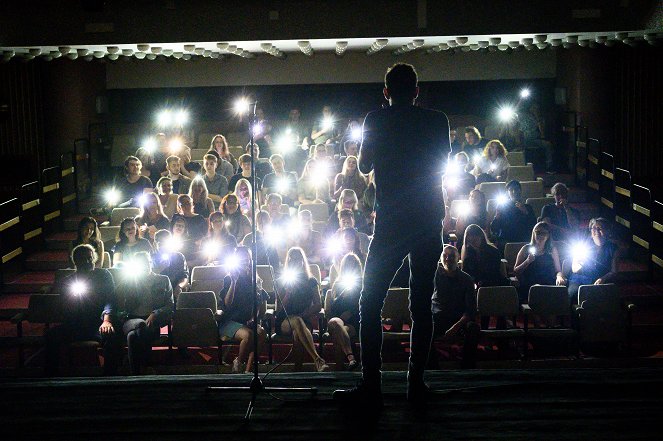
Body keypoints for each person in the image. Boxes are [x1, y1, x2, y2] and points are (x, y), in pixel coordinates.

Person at [333, 63, 450, 406]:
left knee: (369, 303)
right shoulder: (436, 120)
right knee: (421, 305)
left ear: (386, 93)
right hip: (427, 219)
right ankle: (416, 385)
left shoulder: (376, 120)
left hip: (392, 220)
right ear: (416, 91)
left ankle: (373, 386)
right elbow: (443, 162)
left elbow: (365, 166)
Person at [45, 244, 121, 376]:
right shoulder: (68, 281)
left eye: (90, 258)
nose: (87, 262)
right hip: (75, 324)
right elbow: (65, 308)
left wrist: (107, 320)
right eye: (83, 259)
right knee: (51, 335)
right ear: (76, 261)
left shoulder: (103, 275)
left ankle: (110, 376)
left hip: (97, 323)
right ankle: (52, 377)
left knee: (112, 335)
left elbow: (110, 299)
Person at [113, 251, 173, 375]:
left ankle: (134, 371)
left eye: (146, 263)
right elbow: (119, 308)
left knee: (133, 336)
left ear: (151, 263)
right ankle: (146, 366)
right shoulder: (129, 282)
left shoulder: (163, 280)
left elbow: (170, 306)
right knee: (141, 325)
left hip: (153, 322)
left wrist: (155, 313)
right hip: (131, 320)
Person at [275, 247, 329, 372]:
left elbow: (318, 305)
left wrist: (305, 314)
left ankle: (297, 370)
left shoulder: (311, 281)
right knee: (297, 321)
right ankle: (317, 359)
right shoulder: (283, 281)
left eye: (298, 259)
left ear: (302, 261)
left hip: (304, 319)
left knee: (297, 333)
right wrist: (288, 293)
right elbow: (278, 310)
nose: (296, 262)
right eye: (293, 260)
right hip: (285, 321)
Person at [218, 246, 268, 373]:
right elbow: (227, 304)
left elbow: (258, 305)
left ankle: (249, 368)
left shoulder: (255, 280)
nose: (245, 261)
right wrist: (234, 282)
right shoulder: (229, 278)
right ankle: (238, 362)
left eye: (247, 258)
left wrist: (254, 318)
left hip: (247, 322)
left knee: (261, 334)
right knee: (249, 335)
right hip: (230, 322)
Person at [430, 245, 480, 369]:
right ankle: (432, 366)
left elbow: (470, 311)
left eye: (452, 256)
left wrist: (454, 328)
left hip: (458, 320)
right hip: (438, 317)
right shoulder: (434, 276)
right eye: (445, 256)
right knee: (423, 326)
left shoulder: (466, 280)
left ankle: (467, 366)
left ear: (458, 259)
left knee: (473, 328)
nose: (448, 259)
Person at [564, 218, 619, 302]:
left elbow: (614, 271)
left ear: (607, 231)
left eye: (600, 228)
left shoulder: (613, 248)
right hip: (580, 279)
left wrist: (603, 278)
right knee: (573, 294)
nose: (596, 231)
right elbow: (574, 268)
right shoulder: (583, 245)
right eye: (594, 228)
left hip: (599, 280)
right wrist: (582, 264)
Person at [326, 252, 363, 371]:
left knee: (338, 332)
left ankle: (341, 366)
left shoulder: (362, 283)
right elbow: (333, 308)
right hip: (338, 319)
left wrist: (351, 312)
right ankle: (351, 359)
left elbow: (364, 304)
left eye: (353, 265)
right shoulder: (338, 283)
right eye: (348, 265)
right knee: (335, 322)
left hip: (354, 321)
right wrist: (343, 294)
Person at [513, 222, 565, 303]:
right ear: (533, 233)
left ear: (548, 235)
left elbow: (558, 270)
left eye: (543, 233)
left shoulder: (552, 250)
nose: (540, 236)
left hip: (548, 284)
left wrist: (559, 277)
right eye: (538, 232)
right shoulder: (525, 249)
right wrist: (527, 261)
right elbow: (516, 271)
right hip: (530, 284)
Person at [490, 180, 537, 249]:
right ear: (507, 192)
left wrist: (526, 212)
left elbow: (534, 226)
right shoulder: (502, 207)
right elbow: (494, 229)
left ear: (520, 191)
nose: (514, 192)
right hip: (506, 241)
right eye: (511, 190)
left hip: (524, 240)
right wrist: (497, 217)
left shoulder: (527, 207)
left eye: (516, 189)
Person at [152, 229, 189, 305]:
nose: (163, 246)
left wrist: (179, 286)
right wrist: (160, 268)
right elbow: (147, 277)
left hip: (175, 287)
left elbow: (185, 277)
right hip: (157, 291)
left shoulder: (179, 256)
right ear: (155, 244)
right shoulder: (151, 258)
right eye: (160, 243)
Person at [519, 102, 554, 172]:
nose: (535, 109)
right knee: (520, 148)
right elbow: (517, 111)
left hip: (535, 140)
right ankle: (523, 168)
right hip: (524, 140)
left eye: (537, 108)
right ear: (530, 108)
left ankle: (549, 166)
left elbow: (543, 133)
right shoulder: (523, 116)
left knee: (548, 145)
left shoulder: (540, 119)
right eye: (534, 108)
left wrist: (538, 119)